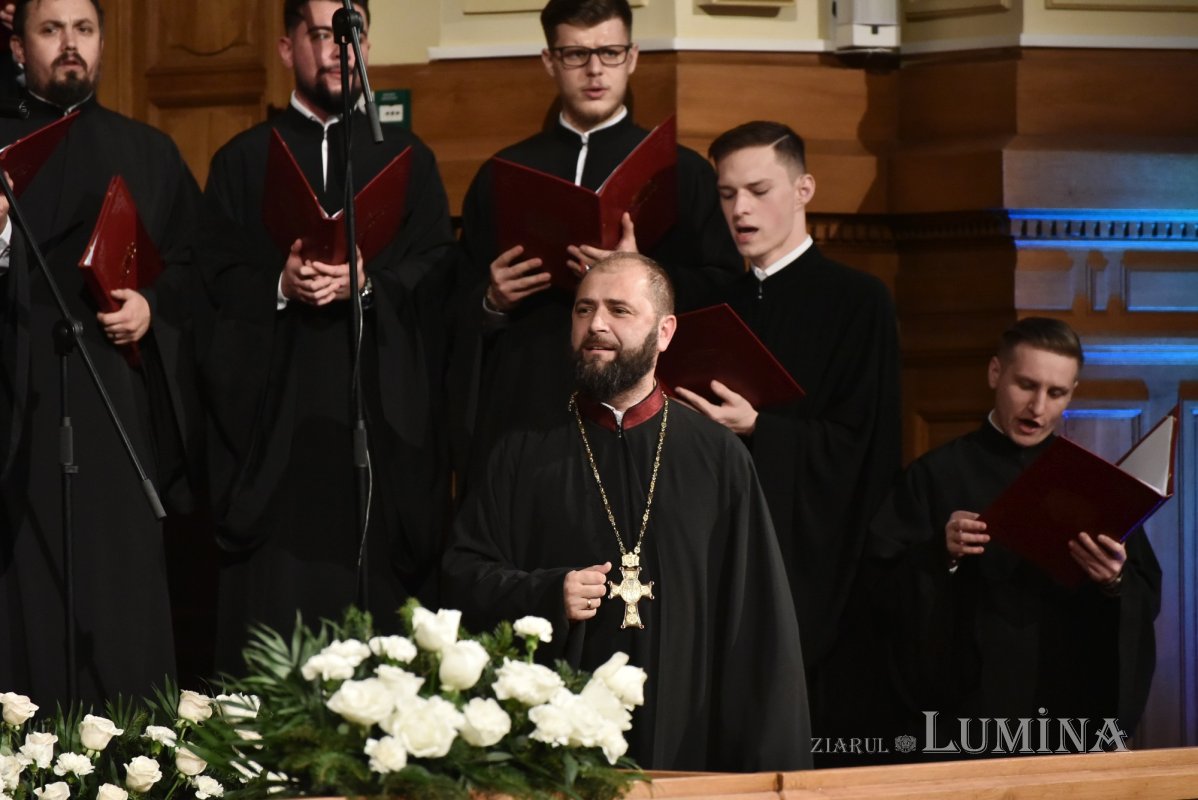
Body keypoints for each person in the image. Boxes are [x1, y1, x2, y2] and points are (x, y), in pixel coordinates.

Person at [443, 253, 811, 772]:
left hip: (688, 741)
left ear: (664, 332)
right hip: (552, 748)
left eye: (619, 310)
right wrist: (549, 593)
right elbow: (462, 577)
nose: (596, 325)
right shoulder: (522, 451)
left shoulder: (718, 456)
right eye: (583, 310)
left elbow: (757, 625)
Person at [200, 0, 453, 669]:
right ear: (288, 48)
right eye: (322, 35)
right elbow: (210, 280)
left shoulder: (407, 158)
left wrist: (368, 285)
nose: (340, 50)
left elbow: (437, 271)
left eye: (352, 35)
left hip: (376, 422)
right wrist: (278, 285)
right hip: (276, 432)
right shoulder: (242, 160)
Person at [448, 0, 741, 491]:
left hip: (640, 404)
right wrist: (491, 299)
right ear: (549, 60)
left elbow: (725, 289)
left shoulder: (680, 172)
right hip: (529, 392)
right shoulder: (503, 174)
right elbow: (452, 298)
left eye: (608, 52)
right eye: (575, 55)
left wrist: (643, 271)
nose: (594, 69)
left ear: (632, 56)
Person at [0, 0, 202, 706]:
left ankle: (128, 769)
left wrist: (153, 309)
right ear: (18, 42)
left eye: (83, 30)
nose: (69, 46)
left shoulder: (147, 151)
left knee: (119, 595)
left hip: (115, 407)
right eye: (51, 30)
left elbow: (197, 271)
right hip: (17, 411)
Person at [676, 120, 901, 728]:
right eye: (727, 195)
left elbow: (865, 446)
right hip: (713, 552)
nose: (740, 210)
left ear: (804, 189)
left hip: (813, 564)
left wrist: (761, 429)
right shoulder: (711, 306)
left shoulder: (859, 301)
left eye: (758, 190)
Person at [867, 317, 1161, 754]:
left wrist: (1114, 582)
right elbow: (878, 586)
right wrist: (940, 555)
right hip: (966, 719)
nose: (1038, 408)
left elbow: (1144, 596)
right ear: (995, 374)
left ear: (1072, 394)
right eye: (1026, 385)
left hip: (1067, 716)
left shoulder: (1094, 484)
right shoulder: (936, 475)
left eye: (1056, 393)